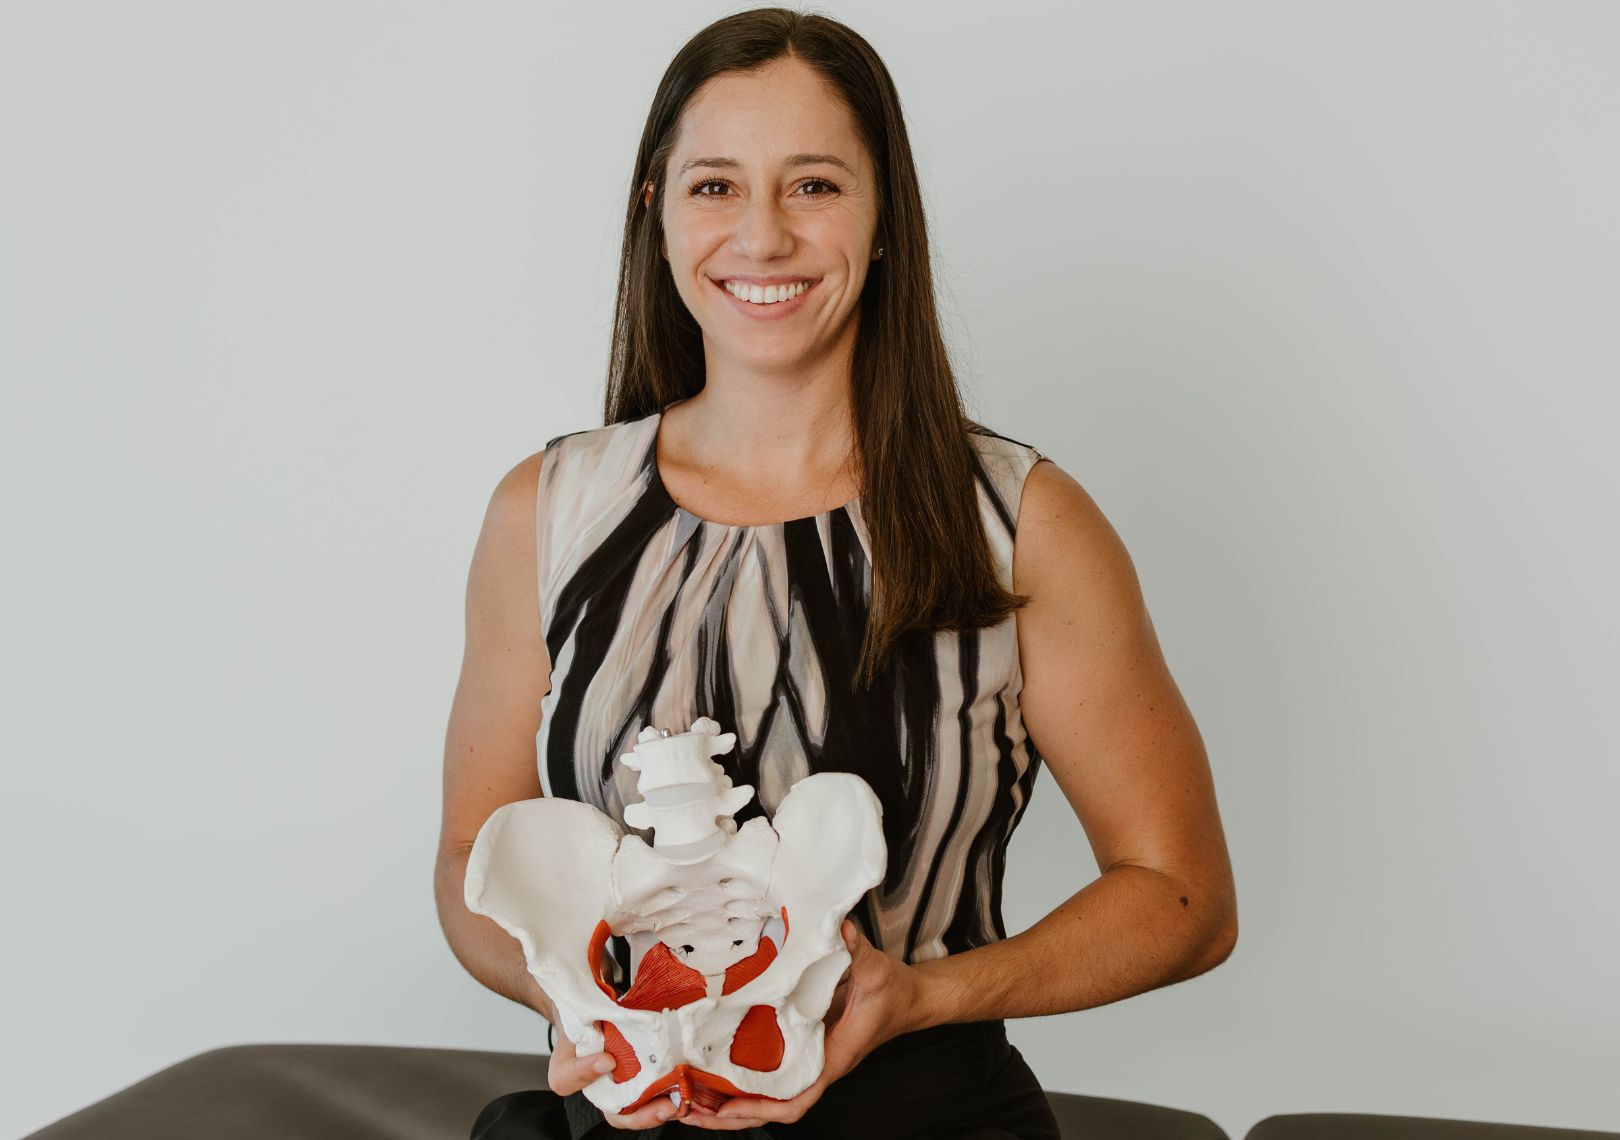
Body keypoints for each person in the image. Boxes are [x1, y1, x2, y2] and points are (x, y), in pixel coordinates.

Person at [434, 8, 1237, 1138]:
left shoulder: (1022, 523)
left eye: (813, 186)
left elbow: (1182, 896)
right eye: (716, 186)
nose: (762, 237)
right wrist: (582, 1002)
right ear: (652, 212)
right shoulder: (548, 511)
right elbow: (475, 853)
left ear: (884, 216)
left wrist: (928, 996)